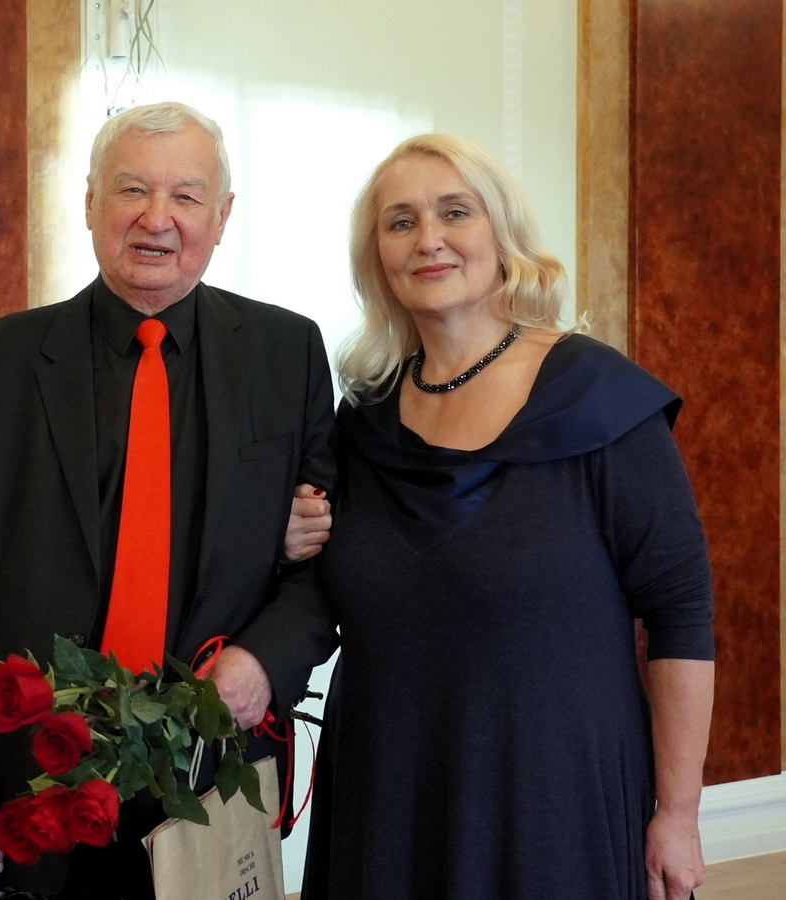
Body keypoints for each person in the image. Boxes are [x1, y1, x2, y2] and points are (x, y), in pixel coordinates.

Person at [0, 101, 338, 900]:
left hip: (214, 773)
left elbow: (328, 564)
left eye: (186, 196)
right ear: (90, 203)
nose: (156, 217)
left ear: (222, 215)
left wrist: (264, 661)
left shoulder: (288, 353)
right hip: (39, 778)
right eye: (132, 189)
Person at [301, 133, 714, 900]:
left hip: (551, 803)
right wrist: (296, 535)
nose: (428, 239)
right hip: (387, 795)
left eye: (455, 212)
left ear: (502, 234)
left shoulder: (599, 398)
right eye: (400, 222)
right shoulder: (360, 422)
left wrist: (679, 813)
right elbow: (325, 589)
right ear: (377, 257)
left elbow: (680, 612)